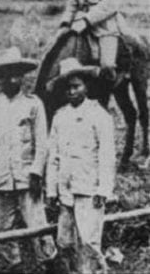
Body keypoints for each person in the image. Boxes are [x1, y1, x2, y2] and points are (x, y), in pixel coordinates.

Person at [0, 46, 57, 272]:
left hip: (26, 177)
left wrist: (36, 173)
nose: (14, 78)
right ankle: (10, 267)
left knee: (37, 223)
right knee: (0, 227)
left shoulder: (33, 104)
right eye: (8, 73)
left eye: (18, 73)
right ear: (0, 77)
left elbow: (42, 142)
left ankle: (48, 263)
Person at [46, 57, 116, 274]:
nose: (72, 91)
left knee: (88, 242)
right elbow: (54, 157)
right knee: (65, 242)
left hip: (89, 190)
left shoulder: (99, 115)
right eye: (68, 88)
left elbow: (107, 156)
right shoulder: (60, 117)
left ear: (87, 86)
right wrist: (51, 190)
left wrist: (104, 189)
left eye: (76, 86)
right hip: (66, 191)